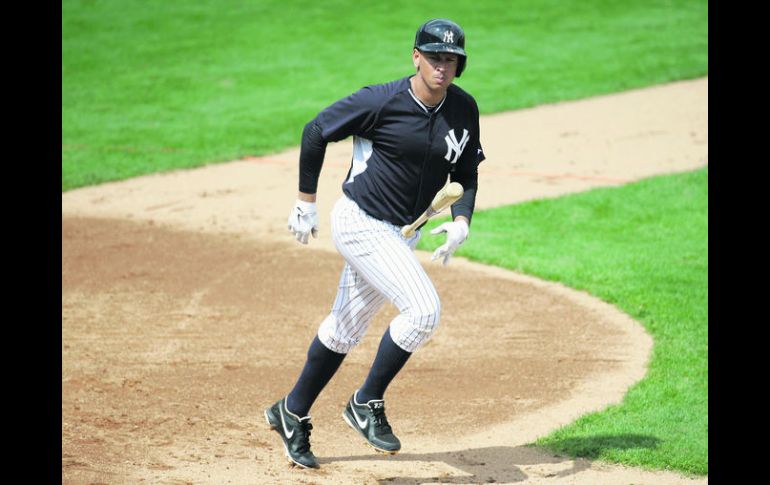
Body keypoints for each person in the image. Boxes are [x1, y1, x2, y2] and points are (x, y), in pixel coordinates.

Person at [264, 18, 485, 469]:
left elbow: (466, 175)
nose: (443, 67)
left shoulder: (464, 109)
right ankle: (365, 402)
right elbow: (315, 131)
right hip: (360, 222)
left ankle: (290, 411)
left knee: (344, 328)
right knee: (423, 312)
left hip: (404, 233)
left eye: (452, 60)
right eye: (435, 57)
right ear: (416, 57)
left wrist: (462, 221)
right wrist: (306, 201)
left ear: (459, 65)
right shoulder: (381, 101)